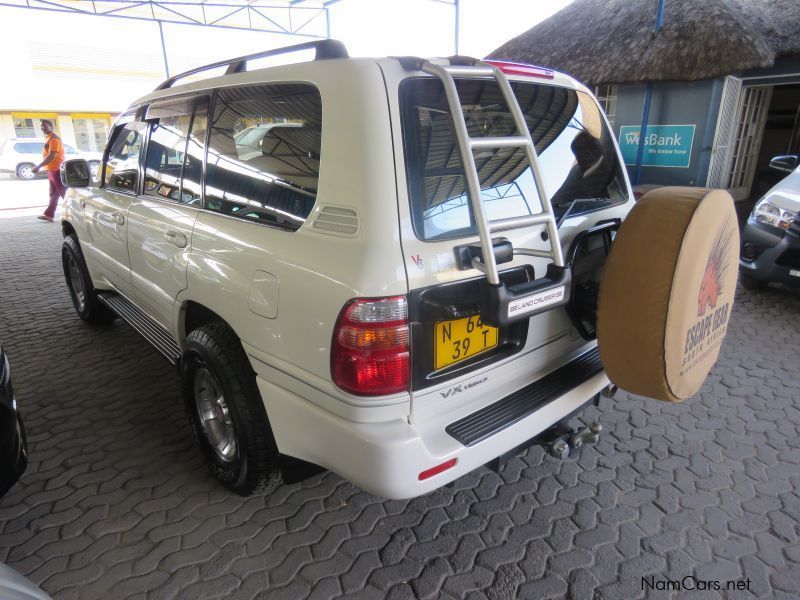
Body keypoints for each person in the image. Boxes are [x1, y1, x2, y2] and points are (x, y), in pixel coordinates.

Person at [32, 120, 66, 222]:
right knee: (54, 194)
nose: (43, 128)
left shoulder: (54, 139)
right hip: (52, 170)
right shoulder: (49, 138)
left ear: (51, 127)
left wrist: (38, 167)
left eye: (45, 126)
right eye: (42, 126)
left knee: (64, 193)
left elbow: (52, 155)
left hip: (56, 170)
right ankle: (49, 215)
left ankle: (77, 213)